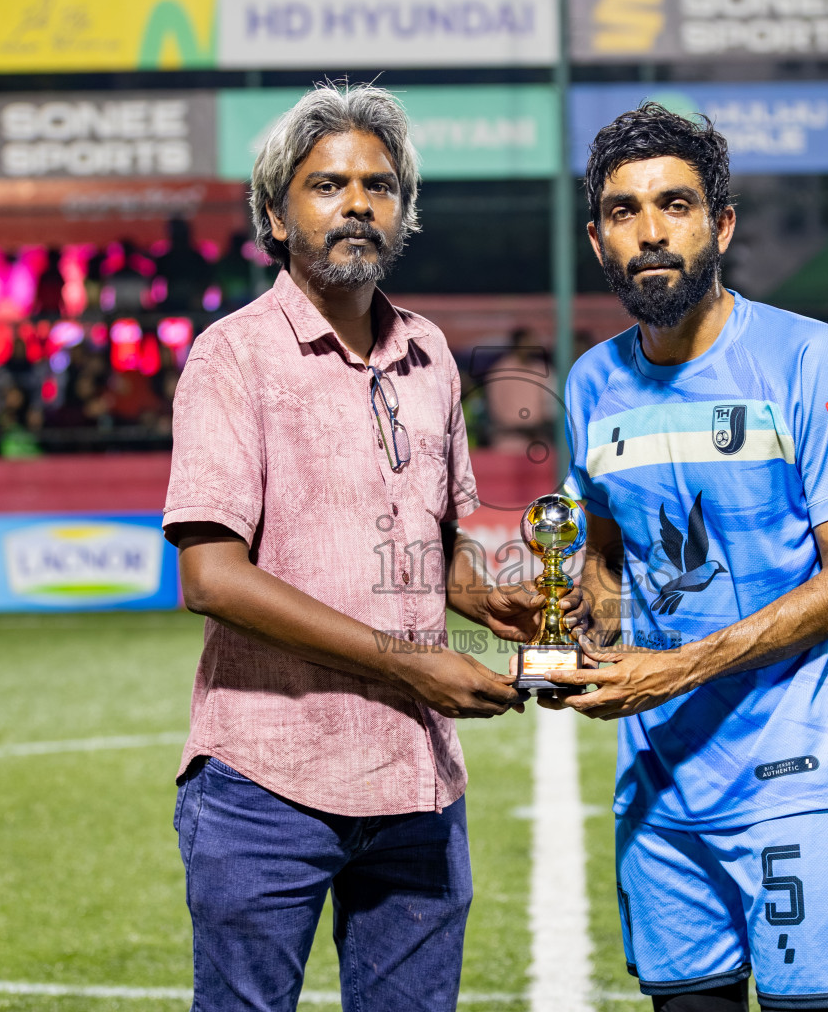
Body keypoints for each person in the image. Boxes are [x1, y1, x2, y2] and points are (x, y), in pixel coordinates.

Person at [160, 82, 585, 1012]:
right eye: (328, 185)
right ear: (277, 217)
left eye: (379, 186)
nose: (357, 203)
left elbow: (436, 543)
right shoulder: (233, 357)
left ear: (403, 212)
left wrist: (493, 598)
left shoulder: (430, 354)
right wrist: (410, 663)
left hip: (416, 785)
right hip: (266, 785)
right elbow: (212, 577)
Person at [546, 103, 828, 1012]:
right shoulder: (591, 383)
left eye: (675, 204)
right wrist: (582, 623)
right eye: (623, 211)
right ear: (597, 240)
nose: (651, 231)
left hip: (792, 780)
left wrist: (675, 669)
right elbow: (605, 550)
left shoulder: (808, 358)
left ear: (722, 225)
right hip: (659, 795)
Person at [483, 326, 554, 452]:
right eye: (527, 341)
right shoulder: (500, 372)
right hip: (508, 440)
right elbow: (495, 407)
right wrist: (518, 427)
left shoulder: (542, 370)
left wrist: (538, 426)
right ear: (517, 344)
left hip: (537, 439)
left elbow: (548, 406)